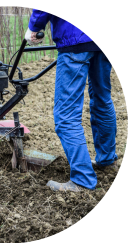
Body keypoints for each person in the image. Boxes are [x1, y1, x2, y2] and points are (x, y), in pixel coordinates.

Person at [25, 9, 118, 192]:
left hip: (75, 38)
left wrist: (34, 26)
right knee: (102, 99)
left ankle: (83, 180)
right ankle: (107, 161)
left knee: (65, 115)